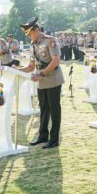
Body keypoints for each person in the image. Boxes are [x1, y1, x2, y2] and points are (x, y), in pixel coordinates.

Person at [18, 17, 64, 149]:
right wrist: (16, 69)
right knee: (43, 108)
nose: (29, 37)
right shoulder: (34, 44)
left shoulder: (51, 41)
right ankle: (43, 135)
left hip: (53, 79)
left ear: (36, 30)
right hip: (41, 80)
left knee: (54, 109)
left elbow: (55, 61)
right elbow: (31, 66)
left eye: (30, 34)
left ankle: (54, 138)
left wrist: (41, 73)